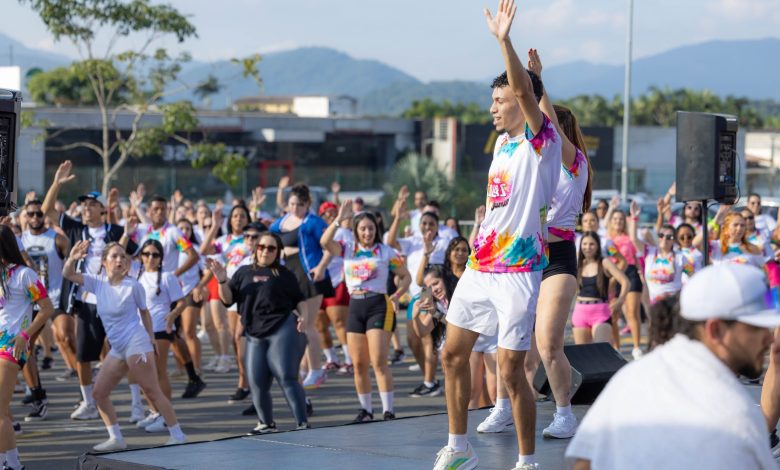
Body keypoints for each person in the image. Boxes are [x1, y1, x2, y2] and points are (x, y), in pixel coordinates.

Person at [434, 2, 562, 468]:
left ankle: (526, 461)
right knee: (452, 355)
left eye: (499, 100)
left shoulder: (539, 142)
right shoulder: (503, 144)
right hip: (480, 268)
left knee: (510, 372)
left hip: (518, 272)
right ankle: (458, 448)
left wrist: (503, 40)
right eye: (492, 101)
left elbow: (529, 95)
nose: (492, 108)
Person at [566, 263, 779, 469]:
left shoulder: (633, 376)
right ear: (715, 330)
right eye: (756, 328)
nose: (769, 340)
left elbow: (584, 462)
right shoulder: (736, 417)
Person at [519, 47, 593, 440]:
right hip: (529, 254)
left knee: (548, 343)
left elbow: (546, 122)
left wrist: (537, 84)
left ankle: (565, 415)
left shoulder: (573, 161)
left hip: (559, 256)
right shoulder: (537, 163)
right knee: (516, 345)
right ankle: (502, 406)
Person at [63, 241, 187, 451]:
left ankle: (177, 434)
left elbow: (144, 313)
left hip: (136, 342)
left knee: (151, 389)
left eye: (123, 257)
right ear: (104, 262)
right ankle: (116, 438)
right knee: (98, 394)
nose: (119, 260)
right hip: (118, 347)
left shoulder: (133, 286)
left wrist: (151, 340)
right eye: (114, 256)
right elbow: (68, 274)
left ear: (128, 264)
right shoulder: (97, 283)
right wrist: (73, 257)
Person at [41, 161, 139, 421]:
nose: (86, 208)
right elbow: (47, 210)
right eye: (84, 204)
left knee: (128, 352)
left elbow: (135, 255)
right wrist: (56, 183)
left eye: (92, 204)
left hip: (115, 301)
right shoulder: (75, 229)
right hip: (86, 302)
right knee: (84, 355)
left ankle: (137, 404)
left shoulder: (115, 231)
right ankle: (87, 402)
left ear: (103, 209)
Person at [208, 232, 311, 433]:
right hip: (254, 332)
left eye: (271, 248)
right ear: (256, 249)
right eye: (262, 247)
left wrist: (304, 316)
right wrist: (221, 281)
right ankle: (266, 423)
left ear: (277, 252)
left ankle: (302, 423)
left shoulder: (284, 274)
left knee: (286, 375)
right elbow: (228, 299)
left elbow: (300, 300)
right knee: (256, 381)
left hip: (281, 327)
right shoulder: (243, 272)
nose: (265, 251)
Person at [321, 202, 411, 423]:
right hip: (356, 306)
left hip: (378, 305)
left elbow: (406, 276)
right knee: (359, 364)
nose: (367, 232)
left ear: (376, 230)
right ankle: (366, 410)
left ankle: (388, 410)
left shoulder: (385, 251)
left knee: (378, 361)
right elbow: (324, 241)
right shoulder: (348, 248)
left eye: (371, 228)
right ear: (356, 231)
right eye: (362, 228)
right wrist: (337, 220)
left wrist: (398, 294)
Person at [0, 225, 54, 470]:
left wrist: (26, 335)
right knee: (3, 412)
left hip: (12, 346)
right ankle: (13, 464)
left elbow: (46, 308)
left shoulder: (24, 275)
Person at [270, 183, 333, 389]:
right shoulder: (282, 222)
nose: (295, 208)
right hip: (289, 275)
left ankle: (317, 370)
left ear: (308, 204)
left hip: (310, 274)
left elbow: (330, 247)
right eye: (292, 204)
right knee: (298, 327)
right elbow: (269, 238)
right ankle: (305, 368)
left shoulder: (313, 222)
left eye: (300, 204)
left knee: (308, 325)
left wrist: (322, 267)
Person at [19, 199, 71, 420]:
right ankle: (38, 397)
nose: (35, 218)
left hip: (56, 298)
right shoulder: (19, 241)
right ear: (24, 216)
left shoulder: (56, 239)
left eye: (38, 214)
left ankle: (86, 388)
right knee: (25, 348)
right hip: (32, 302)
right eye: (30, 214)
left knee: (67, 338)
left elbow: (73, 262)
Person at [603, 200, 644, 359]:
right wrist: (611, 208)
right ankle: (617, 347)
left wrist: (634, 217)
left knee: (632, 312)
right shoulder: (607, 239)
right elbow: (602, 224)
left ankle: (636, 347)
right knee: (613, 314)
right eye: (615, 219)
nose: (618, 222)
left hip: (631, 274)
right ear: (611, 222)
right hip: (613, 277)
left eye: (621, 219)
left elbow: (636, 256)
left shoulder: (630, 238)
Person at [572, 232, 629, 346]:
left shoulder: (605, 261)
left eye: (592, 244)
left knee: (601, 351)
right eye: (585, 244)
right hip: (580, 312)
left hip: (600, 312)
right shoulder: (578, 263)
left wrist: (620, 301)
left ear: (598, 245)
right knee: (582, 355)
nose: (587, 247)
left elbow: (625, 281)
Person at [628, 202, 690, 305]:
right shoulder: (649, 252)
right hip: (655, 304)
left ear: (674, 240)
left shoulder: (680, 257)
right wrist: (634, 218)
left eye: (669, 237)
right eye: (661, 235)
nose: (665, 239)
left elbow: (692, 275)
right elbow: (633, 238)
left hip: (674, 303)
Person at [317, 201, 353, 375]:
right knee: (319, 323)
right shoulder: (318, 231)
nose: (330, 215)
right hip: (318, 281)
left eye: (333, 212)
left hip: (337, 280)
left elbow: (348, 255)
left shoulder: (344, 233)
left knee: (339, 322)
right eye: (327, 213)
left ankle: (350, 359)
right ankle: (332, 359)